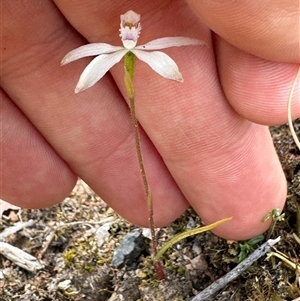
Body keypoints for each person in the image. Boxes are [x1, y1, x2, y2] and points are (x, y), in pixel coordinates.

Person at [1, 1, 299, 240]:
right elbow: (83, 71)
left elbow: (172, 67)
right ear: (123, 30)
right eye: (126, 26)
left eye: (132, 26)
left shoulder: (151, 48)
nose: (129, 26)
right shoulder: (109, 51)